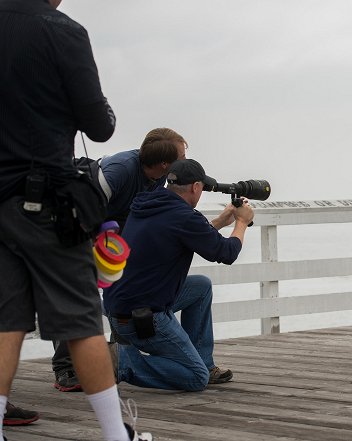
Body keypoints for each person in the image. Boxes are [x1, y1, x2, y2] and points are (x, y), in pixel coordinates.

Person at [0, 0, 152, 440]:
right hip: (47, 201)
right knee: (82, 319)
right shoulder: (62, 31)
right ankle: (115, 435)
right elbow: (99, 125)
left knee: (6, 320)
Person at [53, 127, 188, 392]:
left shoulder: (159, 178)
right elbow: (78, 205)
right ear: (165, 162)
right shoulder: (120, 170)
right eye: (182, 155)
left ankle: (116, 359)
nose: (186, 160)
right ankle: (65, 368)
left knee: (122, 290)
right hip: (75, 230)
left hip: (113, 237)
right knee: (77, 297)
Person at [103, 159, 254, 391]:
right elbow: (227, 252)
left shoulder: (147, 203)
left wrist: (222, 222)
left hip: (122, 306)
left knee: (200, 286)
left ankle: (204, 361)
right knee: (195, 377)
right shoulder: (183, 217)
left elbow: (183, 235)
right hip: (142, 318)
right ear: (195, 187)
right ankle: (119, 361)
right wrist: (242, 222)